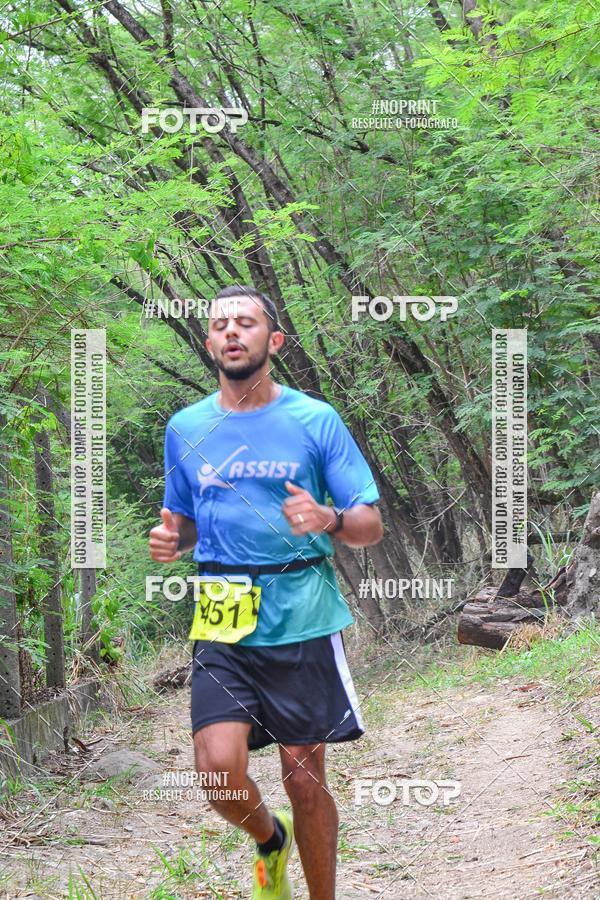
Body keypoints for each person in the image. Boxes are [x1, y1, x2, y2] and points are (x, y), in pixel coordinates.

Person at [149, 285, 383, 900]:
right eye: (220, 323)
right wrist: (174, 540)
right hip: (223, 606)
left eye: (245, 323)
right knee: (218, 771)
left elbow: (369, 525)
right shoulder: (187, 427)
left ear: (272, 341)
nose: (232, 331)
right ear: (208, 344)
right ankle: (268, 836)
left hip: (300, 606)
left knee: (303, 779)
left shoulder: (314, 419)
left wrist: (327, 519)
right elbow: (186, 521)